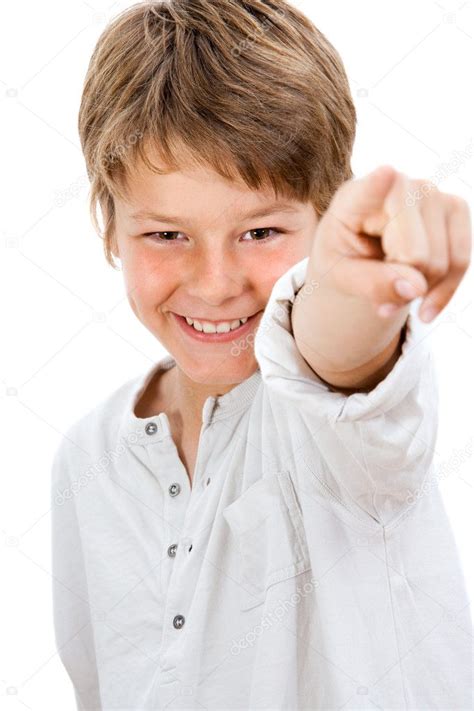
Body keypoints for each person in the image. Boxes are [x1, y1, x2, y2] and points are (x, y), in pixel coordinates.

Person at [51, 1, 472, 709]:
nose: (216, 283)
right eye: (165, 235)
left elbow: (340, 352)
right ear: (110, 225)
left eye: (260, 231)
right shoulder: (86, 458)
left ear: (330, 219)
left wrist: (353, 284)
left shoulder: (330, 418)